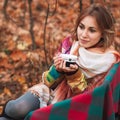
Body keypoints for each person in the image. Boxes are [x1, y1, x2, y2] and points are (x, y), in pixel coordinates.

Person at [0, 3, 120, 120]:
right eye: (81, 27)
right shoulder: (71, 43)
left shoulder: (108, 61)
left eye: (92, 30)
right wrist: (57, 70)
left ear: (103, 34)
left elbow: (89, 99)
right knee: (16, 108)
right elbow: (47, 82)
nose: (83, 35)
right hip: (52, 92)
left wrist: (73, 75)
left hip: (72, 106)